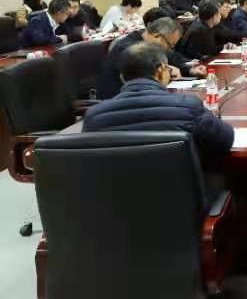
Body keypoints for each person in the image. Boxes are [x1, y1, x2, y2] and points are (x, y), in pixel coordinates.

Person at [83, 42, 233, 197]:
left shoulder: (94, 116)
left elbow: (89, 164)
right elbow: (225, 140)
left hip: (114, 202)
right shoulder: (187, 106)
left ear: (122, 77)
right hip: (180, 201)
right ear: (161, 70)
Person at [97, 17, 202, 99]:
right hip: (118, 99)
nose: (170, 49)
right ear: (157, 36)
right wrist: (167, 69)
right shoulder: (129, 48)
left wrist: (190, 69)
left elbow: (171, 56)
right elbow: (144, 66)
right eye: (170, 45)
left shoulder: (151, 44)